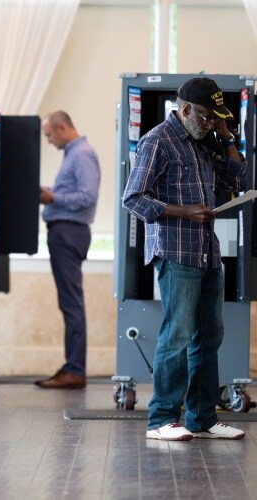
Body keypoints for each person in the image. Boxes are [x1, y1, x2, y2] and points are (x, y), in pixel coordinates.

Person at [122, 77, 246, 441]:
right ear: (186, 109)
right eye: (207, 117)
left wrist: (225, 135)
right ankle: (161, 419)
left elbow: (237, 178)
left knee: (209, 336)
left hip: (207, 252)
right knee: (176, 335)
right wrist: (184, 212)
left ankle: (202, 418)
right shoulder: (157, 141)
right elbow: (133, 199)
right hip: (176, 252)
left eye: (217, 118)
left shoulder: (206, 142)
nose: (210, 123)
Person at [34, 111, 101, 389]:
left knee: (71, 303)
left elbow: (87, 196)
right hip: (65, 232)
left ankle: (75, 370)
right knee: (69, 302)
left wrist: (52, 197)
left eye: (49, 135)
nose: (48, 141)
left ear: (62, 128)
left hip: (69, 233)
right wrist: (51, 192)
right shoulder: (73, 154)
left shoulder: (82, 154)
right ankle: (72, 366)